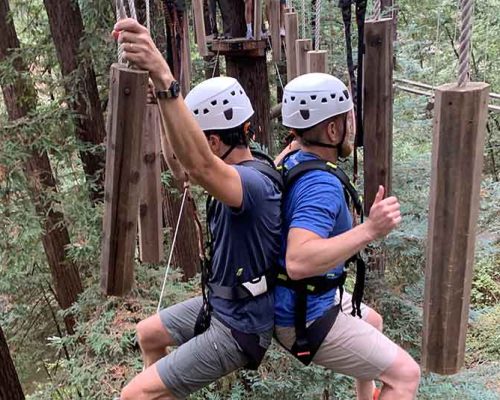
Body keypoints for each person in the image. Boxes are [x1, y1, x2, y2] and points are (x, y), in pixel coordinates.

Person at [113, 19, 281, 400]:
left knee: (133, 395)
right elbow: (189, 163)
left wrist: (164, 76)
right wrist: (160, 94)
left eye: (203, 144)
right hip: (220, 303)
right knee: (148, 333)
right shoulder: (241, 166)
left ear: (216, 142)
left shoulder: (249, 184)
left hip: (240, 327)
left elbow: (201, 165)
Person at [274, 73, 421, 400]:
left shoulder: (293, 159)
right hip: (303, 314)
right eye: (348, 118)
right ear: (331, 129)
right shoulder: (320, 185)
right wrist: (370, 229)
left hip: (297, 296)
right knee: (406, 376)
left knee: (373, 322)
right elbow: (298, 261)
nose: (352, 126)